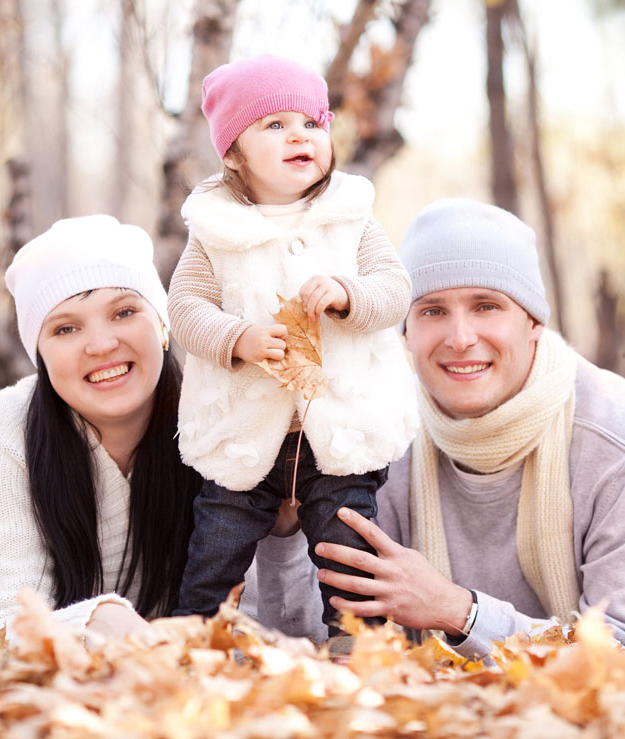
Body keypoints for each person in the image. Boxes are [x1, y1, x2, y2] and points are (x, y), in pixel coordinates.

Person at [313, 198, 625, 677]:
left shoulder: (623, 435)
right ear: (405, 330)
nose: (459, 337)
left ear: (534, 323)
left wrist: (460, 612)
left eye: (486, 306)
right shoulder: (376, 435)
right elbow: (319, 635)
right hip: (499, 663)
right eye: (432, 311)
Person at [0, 215, 324, 645]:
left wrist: (282, 539)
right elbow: (2, 623)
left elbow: (284, 638)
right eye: (66, 328)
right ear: (41, 356)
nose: (101, 344)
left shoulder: (223, 418)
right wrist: (102, 621)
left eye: (124, 312)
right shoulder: (4, 427)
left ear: (163, 325)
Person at [167, 54, 418, 633]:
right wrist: (237, 337)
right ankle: (197, 637)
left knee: (347, 543)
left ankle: (359, 643)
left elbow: (394, 289)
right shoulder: (215, 230)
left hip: (339, 424)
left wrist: (350, 295)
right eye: (275, 125)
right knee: (217, 546)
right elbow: (185, 309)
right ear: (233, 152)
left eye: (312, 123)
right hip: (246, 431)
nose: (300, 135)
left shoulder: (349, 217)